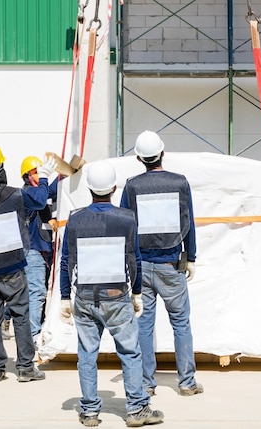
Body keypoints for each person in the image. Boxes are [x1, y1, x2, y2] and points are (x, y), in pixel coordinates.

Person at [59, 160, 164, 427]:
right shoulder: (126, 218)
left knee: (87, 355)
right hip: (117, 296)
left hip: (85, 297)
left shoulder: (75, 220)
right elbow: (135, 260)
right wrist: (137, 292)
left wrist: (63, 297)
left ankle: (91, 412)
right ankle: (137, 410)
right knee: (130, 353)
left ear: (89, 188)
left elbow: (66, 260)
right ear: (114, 188)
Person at [120, 130, 202, 397]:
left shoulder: (132, 186)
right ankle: (187, 382)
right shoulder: (180, 183)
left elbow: (124, 225)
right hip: (171, 266)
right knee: (181, 324)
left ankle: (146, 383)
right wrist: (190, 257)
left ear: (139, 158)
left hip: (141, 267)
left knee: (143, 325)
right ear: (162, 153)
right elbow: (188, 222)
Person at [0, 144, 55, 383]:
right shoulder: (16, 196)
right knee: (21, 316)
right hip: (14, 267)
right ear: (1, 167)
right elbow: (39, 200)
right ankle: (25, 368)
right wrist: (44, 178)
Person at [20, 155, 59, 344]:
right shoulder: (27, 194)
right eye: (37, 172)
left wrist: (64, 175)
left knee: (38, 292)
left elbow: (51, 191)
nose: (40, 175)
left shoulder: (38, 191)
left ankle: (36, 328)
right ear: (28, 175)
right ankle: (32, 335)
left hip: (43, 251)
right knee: (36, 292)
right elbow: (42, 200)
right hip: (33, 251)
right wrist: (45, 178)